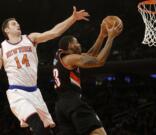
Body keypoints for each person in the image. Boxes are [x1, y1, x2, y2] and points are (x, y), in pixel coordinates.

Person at [0, 6, 89, 135]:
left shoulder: (31, 38)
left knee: (47, 130)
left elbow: (54, 32)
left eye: (18, 23)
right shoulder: (2, 49)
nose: (18, 25)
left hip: (35, 92)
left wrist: (73, 18)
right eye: (14, 24)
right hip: (17, 92)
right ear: (6, 29)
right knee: (38, 126)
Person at [52, 20, 122, 135]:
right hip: (73, 103)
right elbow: (99, 61)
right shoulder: (70, 59)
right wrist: (111, 38)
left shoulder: (62, 58)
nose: (79, 44)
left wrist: (101, 36)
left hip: (60, 107)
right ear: (70, 45)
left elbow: (90, 56)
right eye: (76, 42)